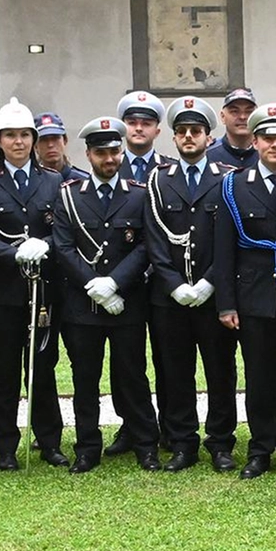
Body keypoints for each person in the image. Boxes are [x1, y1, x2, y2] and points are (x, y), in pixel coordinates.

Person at [53, 118, 160, 473]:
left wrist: (114, 284)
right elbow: (63, 248)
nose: (110, 158)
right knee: (85, 378)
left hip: (127, 301)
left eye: (115, 151)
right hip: (82, 306)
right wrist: (94, 287)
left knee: (132, 374)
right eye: (101, 153)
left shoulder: (140, 194)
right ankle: (87, 448)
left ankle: (146, 444)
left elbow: (147, 245)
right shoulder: (69, 195)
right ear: (88, 155)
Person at [216, 103, 276, 479]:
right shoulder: (234, 186)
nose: (275, 145)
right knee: (258, 376)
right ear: (255, 141)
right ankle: (260, 449)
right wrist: (226, 303)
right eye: (267, 138)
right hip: (253, 297)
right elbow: (224, 251)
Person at [0, 97, 68, 471]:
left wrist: (43, 245)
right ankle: (6, 447)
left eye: (25, 135)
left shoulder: (54, 180)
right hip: (1, 292)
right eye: (10, 135)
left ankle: (50, 441)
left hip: (44, 290)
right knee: (5, 369)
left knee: (43, 366)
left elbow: (61, 230)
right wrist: (14, 254)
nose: (19, 142)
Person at [145, 97, 237, 472]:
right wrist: (173, 285)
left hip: (212, 295)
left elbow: (232, 239)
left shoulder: (227, 177)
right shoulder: (158, 179)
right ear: (173, 137)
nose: (188, 137)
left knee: (220, 371)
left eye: (195, 132)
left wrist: (210, 283)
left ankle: (220, 443)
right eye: (181, 132)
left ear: (208, 136)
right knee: (176, 372)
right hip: (171, 299)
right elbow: (153, 239)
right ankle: (183, 442)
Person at [106, 91, 174, 457]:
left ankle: (168, 425)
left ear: (157, 130)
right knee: (126, 362)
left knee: (166, 359)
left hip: (163, 283)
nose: (138, 128)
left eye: (145, 122)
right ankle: (130, 425)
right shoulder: (107, 166)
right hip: (124, 285)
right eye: (132, 122)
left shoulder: (169, 170)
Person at [116, 91, 176, 182]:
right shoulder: (110, 165)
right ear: (123, 129)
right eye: (132, 123)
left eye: (146, 124)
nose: (139, 128)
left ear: (157, 132)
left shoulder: (172, 168)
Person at [207, 87, 260, 169]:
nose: (242, 117)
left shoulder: (268, 153)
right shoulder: (208, 156)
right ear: (223, 117)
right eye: (235, 111)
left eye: (248, 111)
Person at [34, 112, 90, 181]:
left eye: (55, 138)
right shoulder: (31, 183)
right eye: (44, 140)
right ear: (35, 146)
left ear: (65, 140)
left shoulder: (84, 182)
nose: (50, 145)